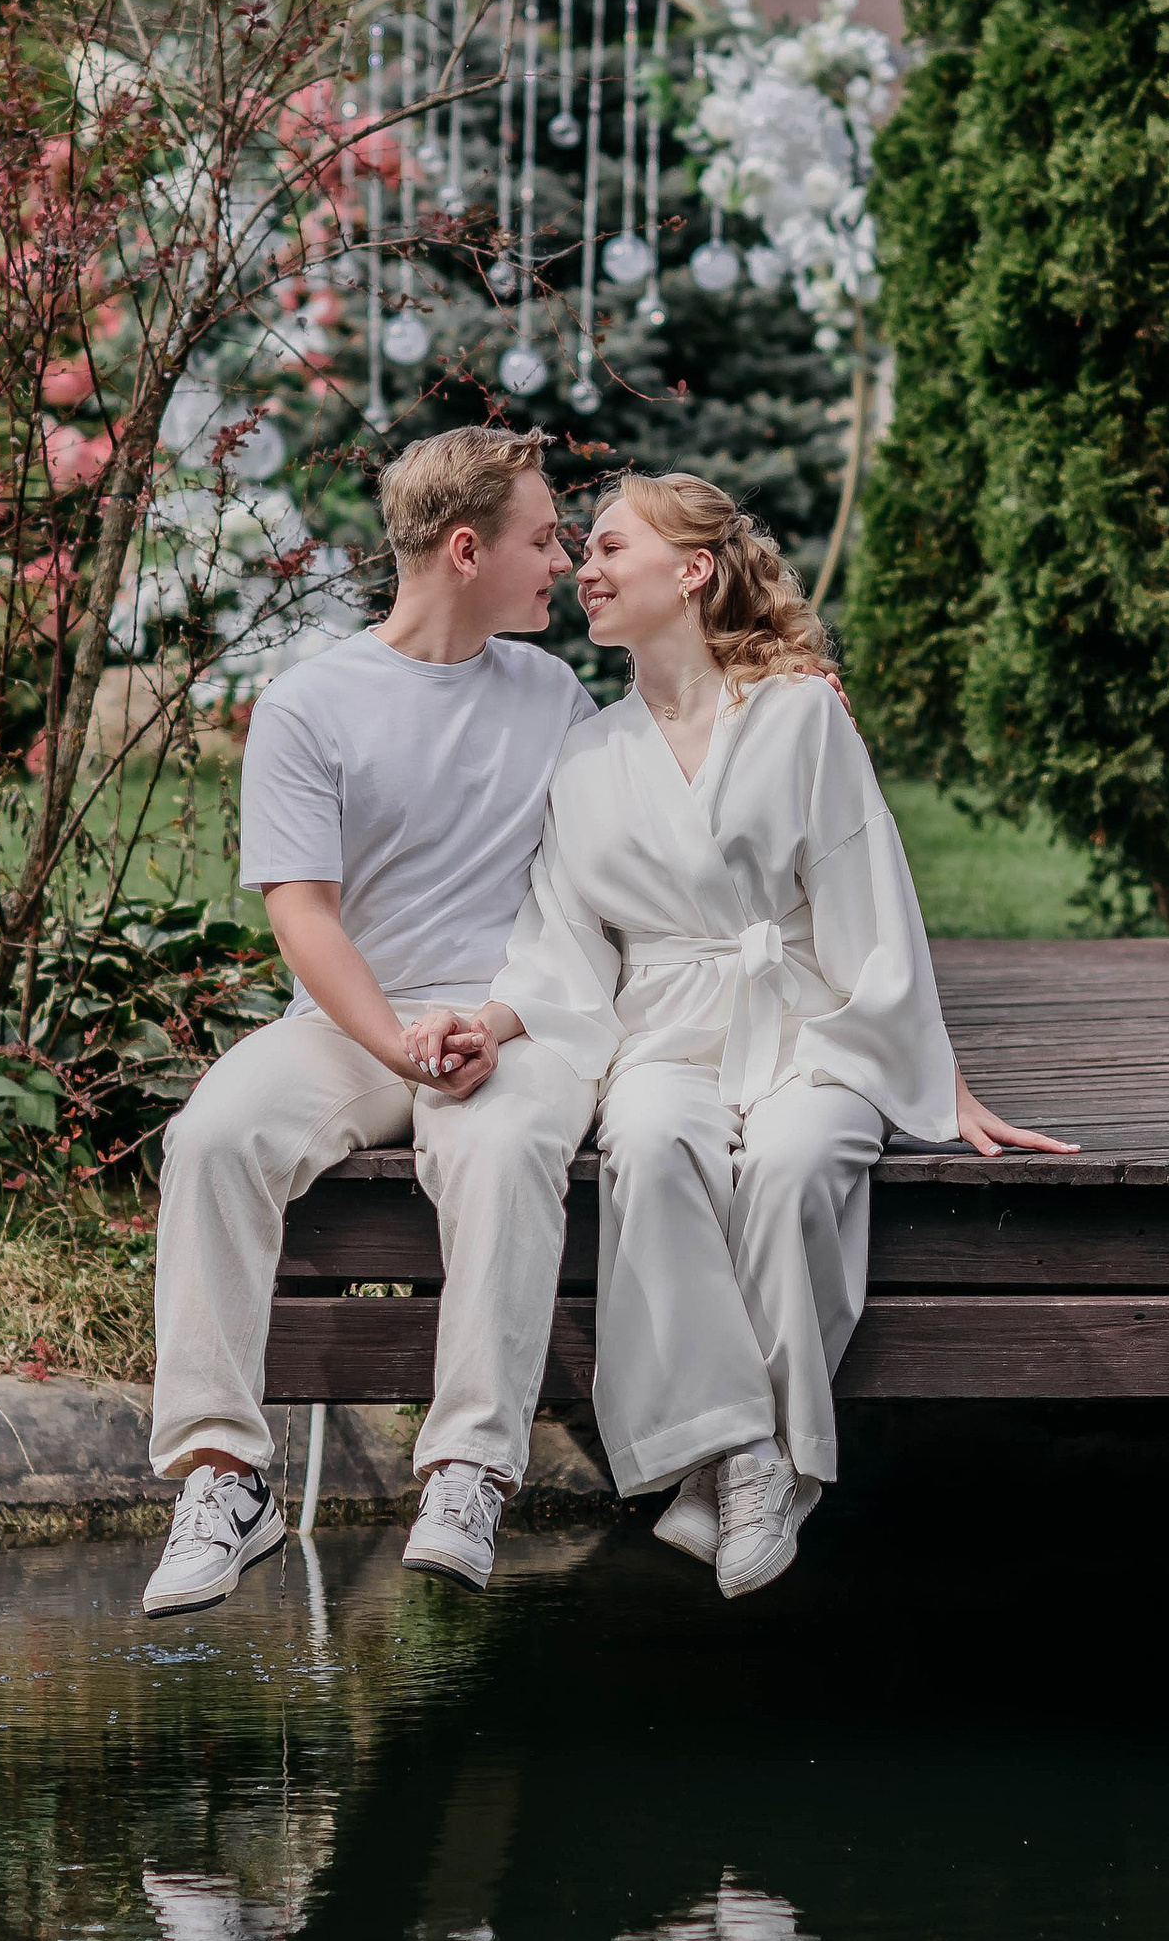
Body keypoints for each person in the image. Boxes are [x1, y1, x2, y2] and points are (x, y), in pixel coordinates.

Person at [461, 472, 1074, 1599]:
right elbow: (562, 941)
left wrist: (940, 1080)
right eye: (579, 553)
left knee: (799, 1160)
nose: (582, 570)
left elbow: (867, 897)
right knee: (646, 1141)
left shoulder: (798, 715)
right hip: (663, 1033)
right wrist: (500, 1023)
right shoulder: (588, 754)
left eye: (606, 549)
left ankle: (758, 1467)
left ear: (690, 570)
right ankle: (745, 1452)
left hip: (806, 1019)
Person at [141, 431, 599, 1616]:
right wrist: (395, 1043)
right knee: (212, 1136)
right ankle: (222, 1475)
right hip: (349, 1025)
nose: (565, 557)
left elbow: (651, 809)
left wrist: (792, 693)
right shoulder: (310, 705)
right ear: (465, 550)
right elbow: (303, 915)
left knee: (500, 1148)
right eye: (542, 538)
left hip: (513, 1028)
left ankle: (465, 1472)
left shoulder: (551, 695)